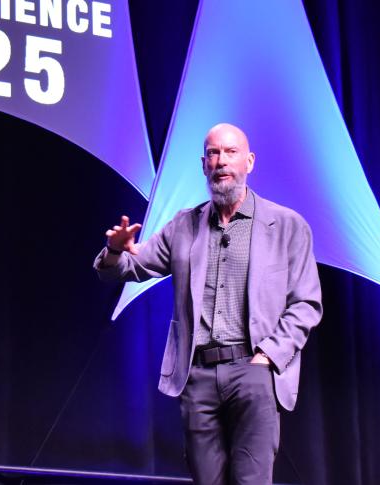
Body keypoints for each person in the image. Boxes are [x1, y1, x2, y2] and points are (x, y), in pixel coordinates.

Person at [93, 123, 322, 485]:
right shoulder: (184, 226)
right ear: (203, 165)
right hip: (198, 376)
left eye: (230, 153)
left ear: (249, 162)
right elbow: (129, 267)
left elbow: (306, 304)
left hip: (253, 369)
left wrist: (269, 357)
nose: (221, 161)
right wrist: (116, 249)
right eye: (213, 154)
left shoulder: (288, 226)